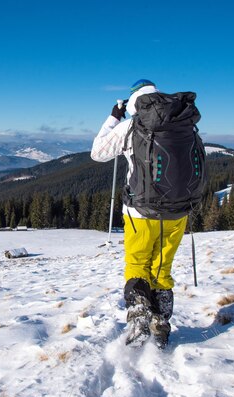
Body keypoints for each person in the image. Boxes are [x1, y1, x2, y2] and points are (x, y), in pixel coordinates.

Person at [90, 79, 189, 348]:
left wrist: (113, 118)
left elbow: (98, 153)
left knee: (137, 264)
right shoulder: (182, 118)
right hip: (178, 212)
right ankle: (161, 324)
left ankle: (139, 318)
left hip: (141, 212)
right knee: (161, 267)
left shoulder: (133, 123)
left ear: (134, 99)